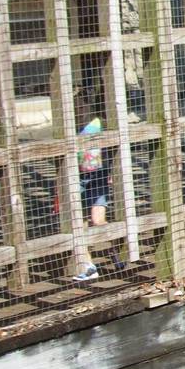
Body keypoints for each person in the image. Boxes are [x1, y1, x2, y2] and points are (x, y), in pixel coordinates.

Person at [73, 92, 110, 282]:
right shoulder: (102, 122)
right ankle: (118, 255)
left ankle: (88, 265)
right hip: (100, 174)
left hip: (82, 176)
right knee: (98, 219)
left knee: (79, 220)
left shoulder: (80, 125)